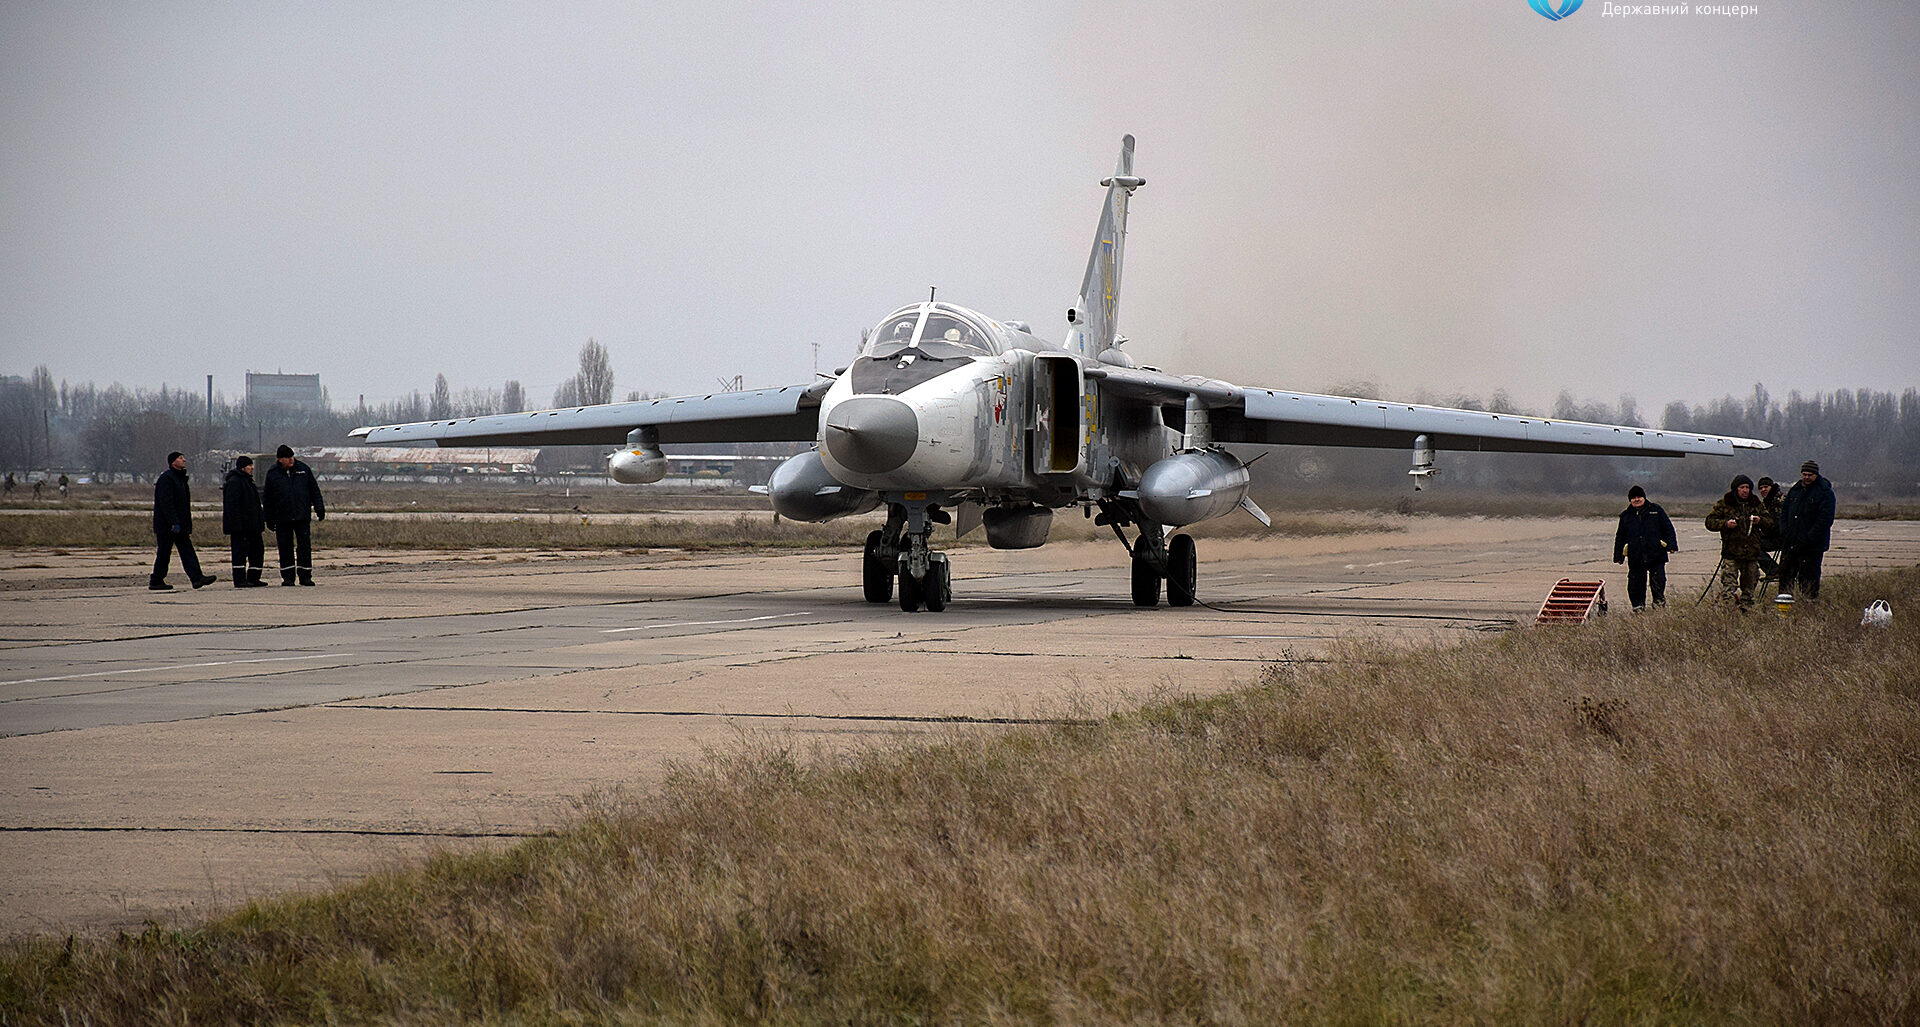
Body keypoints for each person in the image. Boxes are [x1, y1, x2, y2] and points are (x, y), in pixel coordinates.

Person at [150, 452, 217, 591]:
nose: (184, 460)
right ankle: (156, 580)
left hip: (180, 524)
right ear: (173, 462)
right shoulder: (167, 479)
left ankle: (197, 578)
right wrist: (173, 522)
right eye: (180, 458)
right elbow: (166, 503)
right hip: (167, 525)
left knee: (187, 551)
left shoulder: (180, 478)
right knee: (164, 553)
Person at [1705, 474, 1772, 609]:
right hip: (1732, 553)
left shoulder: (1756, 503)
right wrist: (1725, 524)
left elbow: (1770, 521)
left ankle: (1746, 610)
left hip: (1751, 554)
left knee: (1750, 586)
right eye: (1742, 487)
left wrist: (1760, 520)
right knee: (1729, 586)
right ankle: (1728, 611)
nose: (1745, 490)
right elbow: (1709, 522)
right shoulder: (1724, 503)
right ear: (1736, 489)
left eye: (1747, 487)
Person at [263, 444, 325, 586]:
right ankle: (288, 577)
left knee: (304, 546)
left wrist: (319, 508)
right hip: (282, 517)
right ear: (280, 460)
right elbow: (268, 498)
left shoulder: (303, 469)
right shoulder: (272, 473)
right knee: (285, 547)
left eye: (292, 457)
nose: (291, 460)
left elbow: (314, 490)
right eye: (287, 458)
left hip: (301, 516)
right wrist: (269, 518)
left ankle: (305, 576)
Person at [1778, 459, 1838, 603]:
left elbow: (1825, 520)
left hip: (1811, 547)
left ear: (1816, 475)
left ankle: (1808, 606)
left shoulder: (1825, 493)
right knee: (1785, 576)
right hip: (1790, 543)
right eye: (1804, 474)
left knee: (1809, 578)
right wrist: (1784, 530)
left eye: (1810, 475)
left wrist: (1808, 538)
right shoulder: (1795, 489)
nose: (1806, 477)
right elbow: (1784, 511)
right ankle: (1784, 605)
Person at [1613, 484, 1677, 610]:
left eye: (1639, 497)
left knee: (1658, 582)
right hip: (1635, 556)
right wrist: (1618, 556)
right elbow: (1620, 537)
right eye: (1633, 498)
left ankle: (1659, 606)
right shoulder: (1625, 516)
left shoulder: (1656, 510)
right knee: (1635, 585)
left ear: (1644, 497)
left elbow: (1668, 528)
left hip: (1656, 554)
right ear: (1630, 500)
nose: (1636, 499)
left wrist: (1671, 545)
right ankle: (1638, 608)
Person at [223, 455, 267, 587]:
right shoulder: (235, 482)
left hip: (253, 526)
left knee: (257, 551)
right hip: (241, 527)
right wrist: (236, 525)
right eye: (249, 465)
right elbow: (232, 506)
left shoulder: (248, 481)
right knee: (239, 553)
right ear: (242, 467)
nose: (252, 468)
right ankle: (240, 579)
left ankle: (254, 578)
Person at [1754, 476, 1784, 582]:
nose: (1763, 490)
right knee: (1752, 543)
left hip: (1783, 537)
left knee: (1754, 546)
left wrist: (1761, 523)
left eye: (1766, 487)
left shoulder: (1780, 501)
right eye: (1761, 488)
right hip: (1774, 536)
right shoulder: (1766, 503)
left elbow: (1777, 524)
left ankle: (1774, 570)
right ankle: (1773, 571)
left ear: (1772, 487)